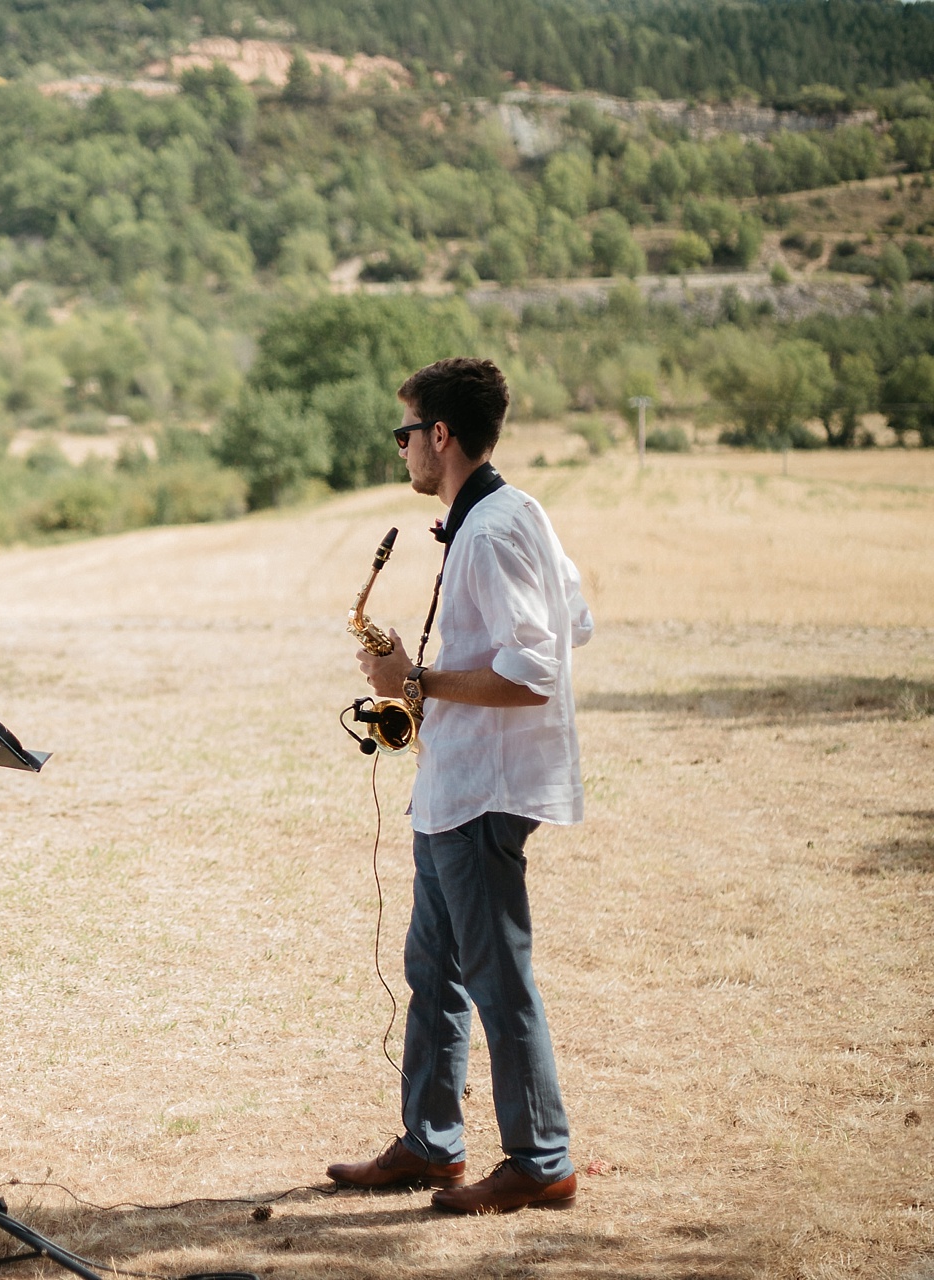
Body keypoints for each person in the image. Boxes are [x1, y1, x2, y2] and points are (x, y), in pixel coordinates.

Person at [327, 357, 593, 1214]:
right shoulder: (516, 513)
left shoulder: (486, 530)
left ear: (440, 436)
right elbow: (575, 617)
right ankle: (432, 1143)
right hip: (456, 785)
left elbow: (535, 668)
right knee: (433, 970)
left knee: (496, 976)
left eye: (405, 433)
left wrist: (421, 682)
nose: (402, 449)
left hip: (484, 790)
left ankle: (540, 1161)